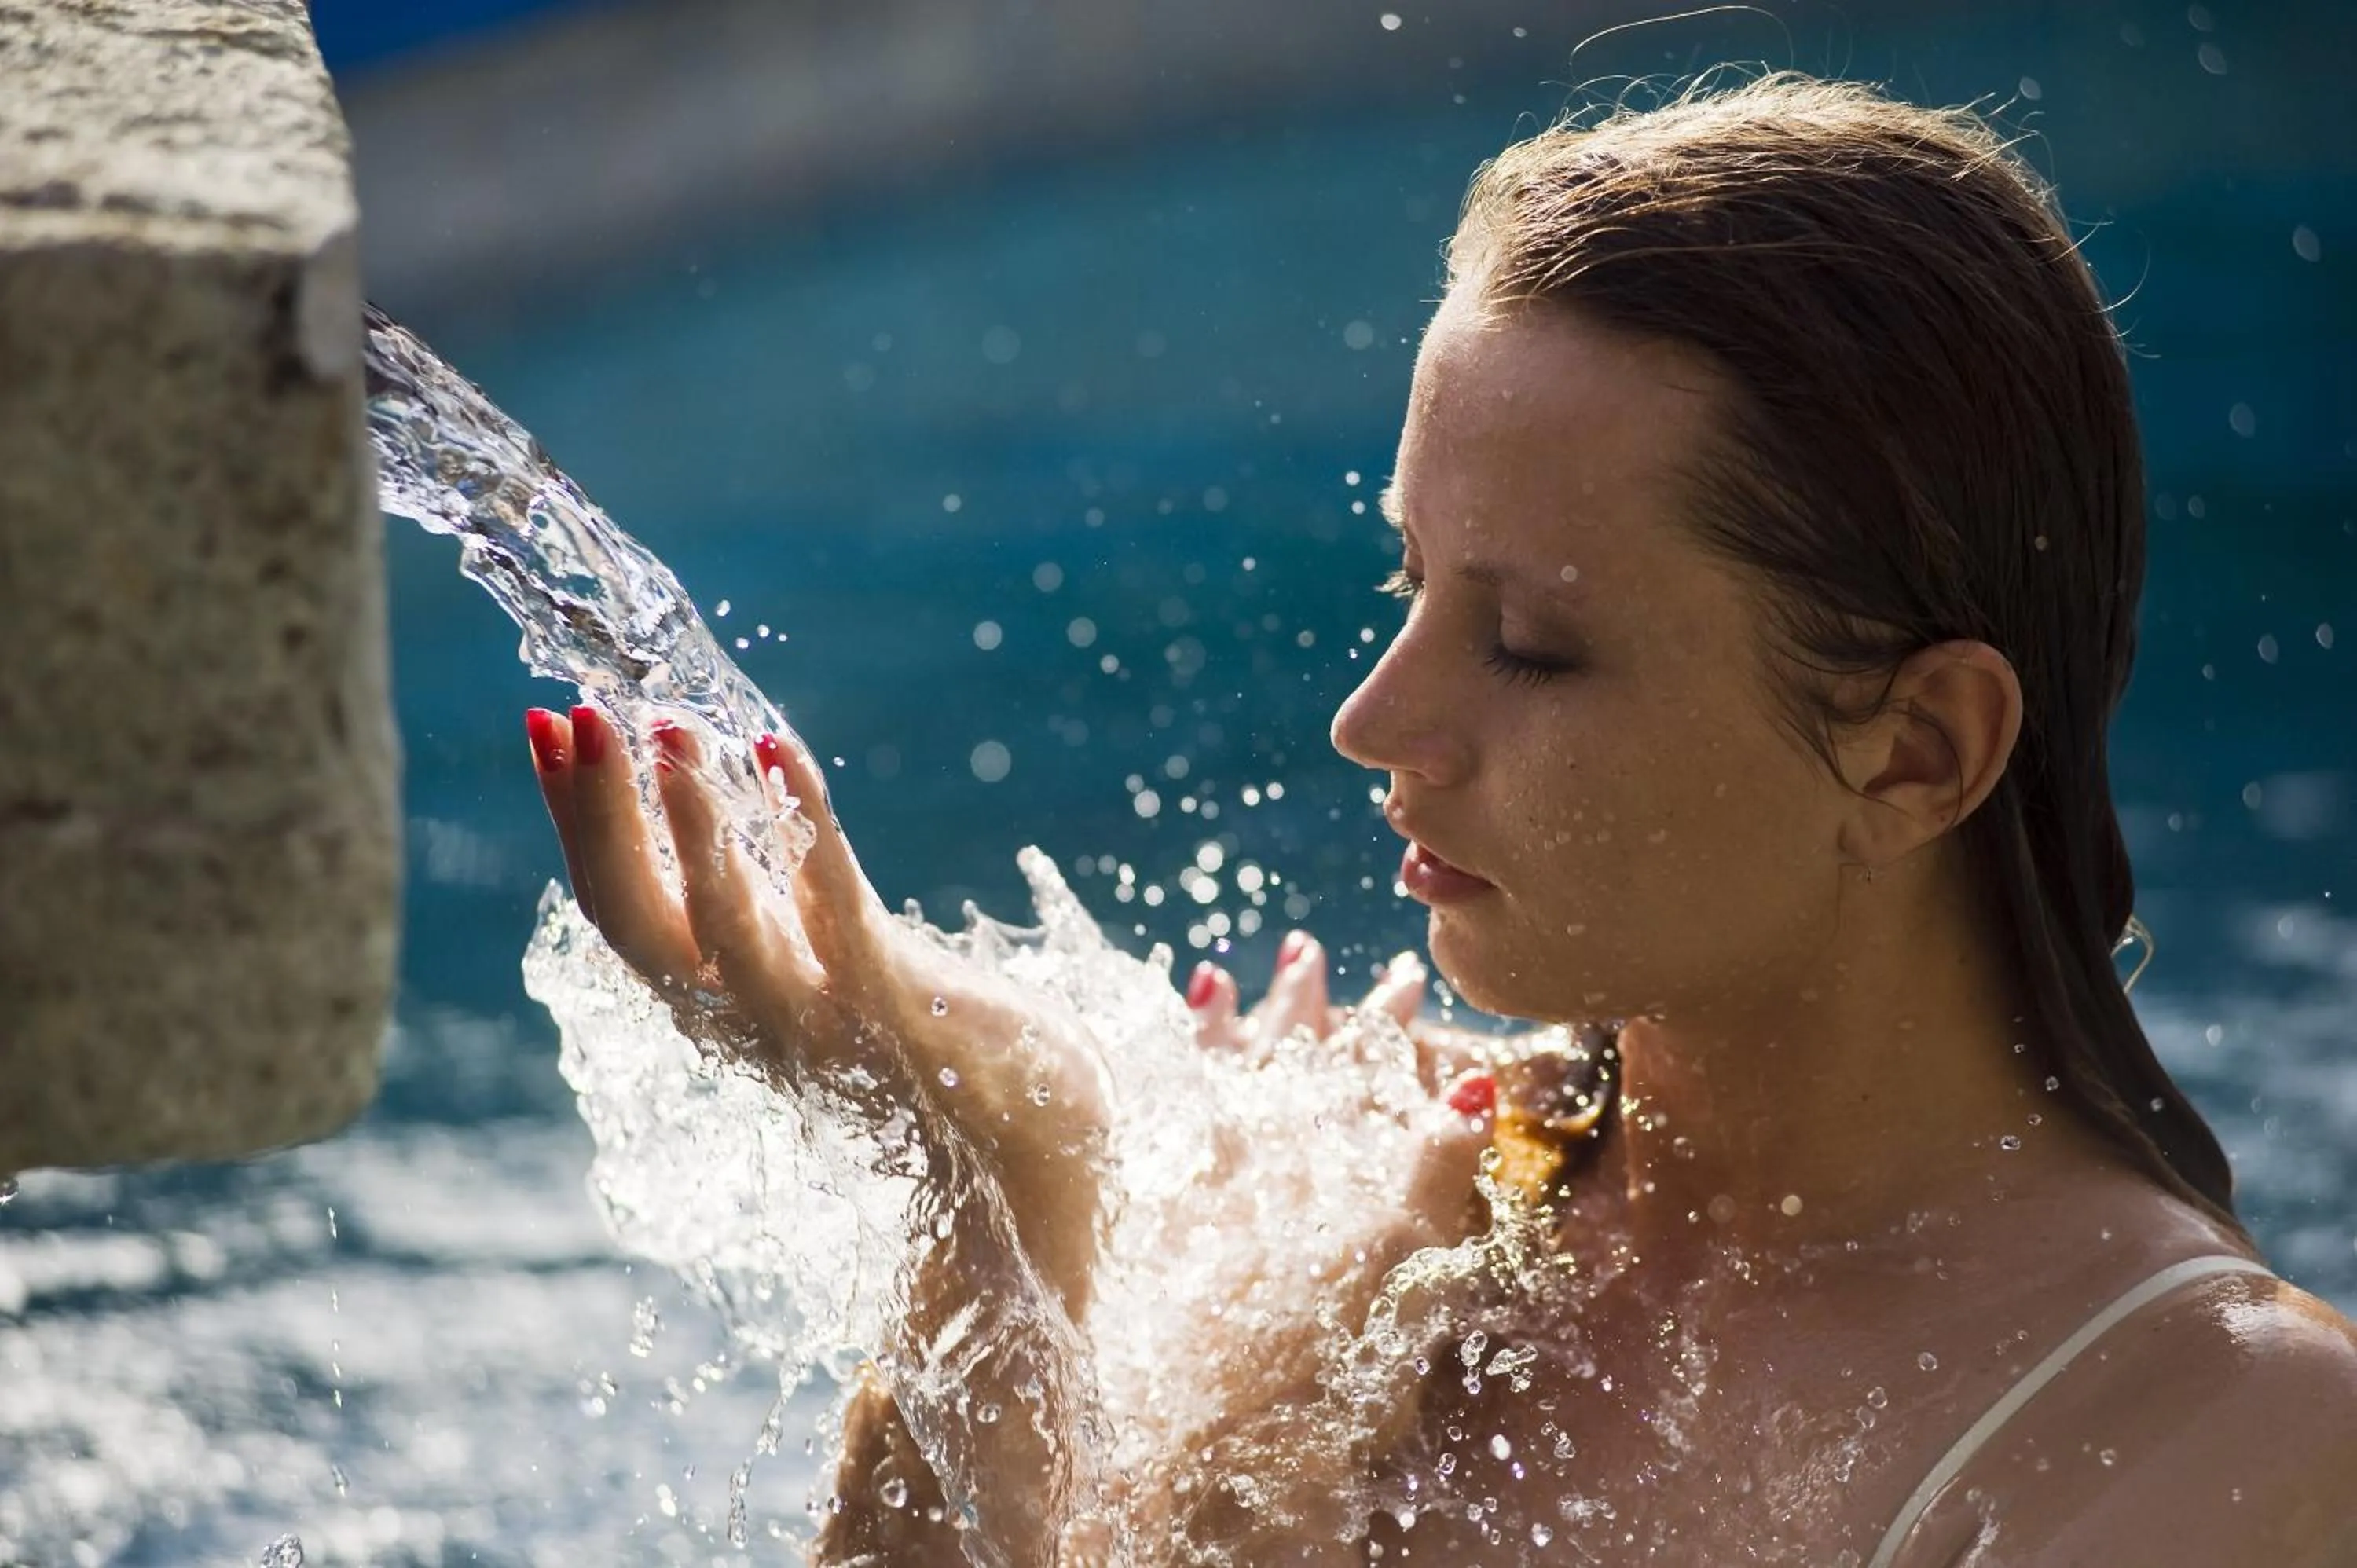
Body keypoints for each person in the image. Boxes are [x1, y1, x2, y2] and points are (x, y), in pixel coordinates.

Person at [518, 71, 2357, 1565]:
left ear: (1916, 750)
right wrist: (997, 1208)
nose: (1373, 717)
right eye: (1405, 587)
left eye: (1536, 646)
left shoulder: (2229, 1455)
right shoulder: (1394, 1236)